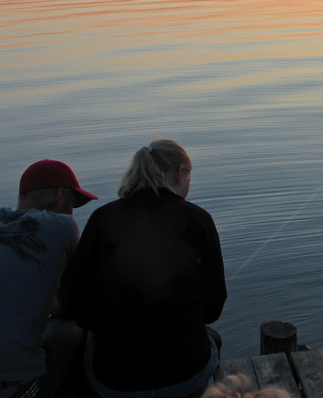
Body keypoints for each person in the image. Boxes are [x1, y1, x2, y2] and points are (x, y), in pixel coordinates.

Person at [65, 140, 227, 397]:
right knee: (212, 338)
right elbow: (213, 307)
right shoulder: (199, 219)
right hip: (185, 375)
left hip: (114, 379)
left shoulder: (102, 219)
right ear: (179, 173)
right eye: (189, 176)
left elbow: (75, 303)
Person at [1, 159, 97, 398]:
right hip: (19, 387)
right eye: (73, 204)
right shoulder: (62, 226)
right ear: (61, 194)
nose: (72, 211)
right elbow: (74, 302)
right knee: (72, 330)